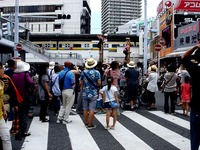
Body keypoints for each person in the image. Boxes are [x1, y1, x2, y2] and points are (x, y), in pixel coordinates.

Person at [182, 44, 200, 150]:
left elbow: (184, 57)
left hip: (197, 107)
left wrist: (195, 47)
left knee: (195, 136)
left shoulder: (195, 69)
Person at [12, 61, 36, 139]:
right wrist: (33, 88)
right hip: (24, 96)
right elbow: (31, 82)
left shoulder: (14, 75)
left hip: (16, 97)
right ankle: (23, 131)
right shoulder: (25, 74)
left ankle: (17, 130)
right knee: (24, 114)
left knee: (17, 114)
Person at [80, 58, 101, 129]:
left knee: (85, 108)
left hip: (85, 92)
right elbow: (99, 83)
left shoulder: (83, 72)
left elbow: (81, 83)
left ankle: (85, 122)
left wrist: (82, 89)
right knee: (92, 108)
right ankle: (90, 124)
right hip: (93, 92)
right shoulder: (97, 72)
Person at [0, 79, 12, 150]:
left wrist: (4, 109)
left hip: (0, 116)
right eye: (2, 69)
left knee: (6, 136)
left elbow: (0, 97)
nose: (3, 71)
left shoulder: (1, 83)